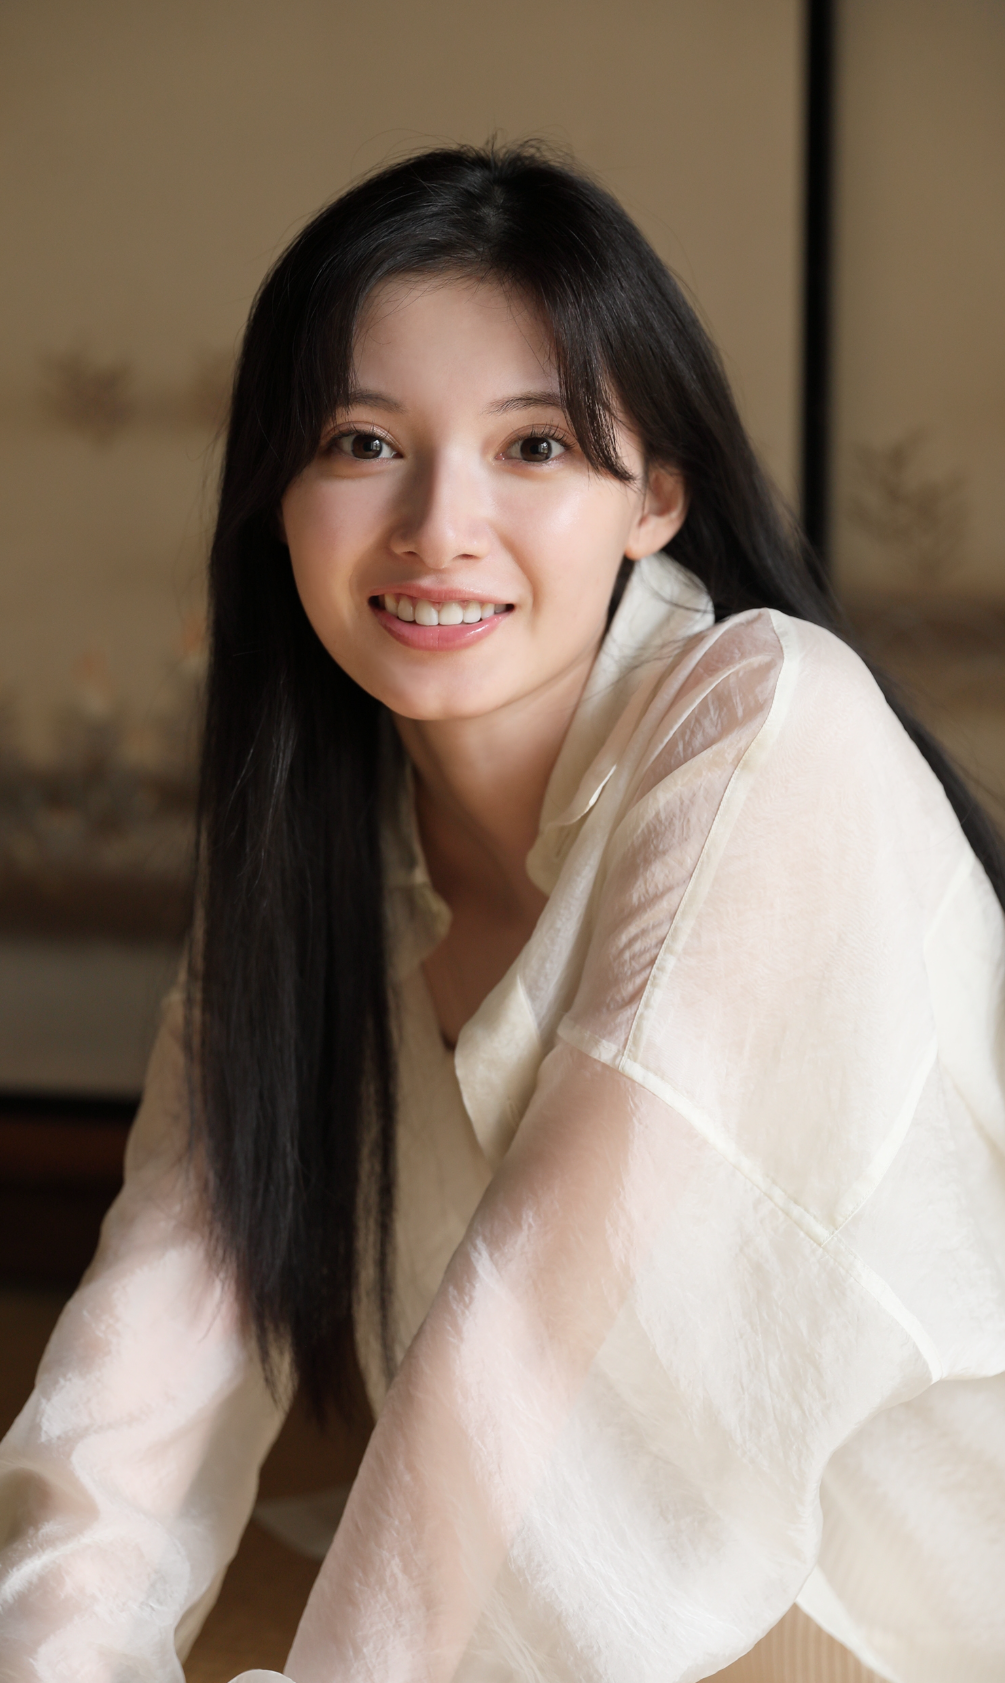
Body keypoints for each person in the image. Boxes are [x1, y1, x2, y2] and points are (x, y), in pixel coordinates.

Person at [1, 143, 1004, 1683]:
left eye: (533, 445)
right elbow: (148, 1343)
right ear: (278, 494)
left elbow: (532, 1320)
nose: (438, 526)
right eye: (362, 441)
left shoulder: (770, 724)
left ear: (654, 496)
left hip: (905, 1620)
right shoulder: (319, 854)